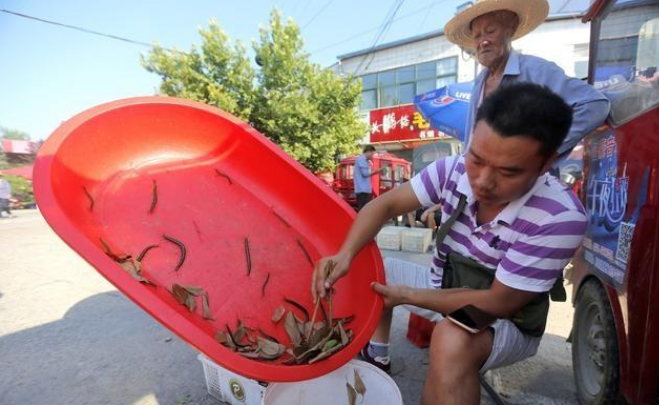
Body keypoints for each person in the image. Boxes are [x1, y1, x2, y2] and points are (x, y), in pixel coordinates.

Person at [312, 83, 587, 405]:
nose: (483, 181)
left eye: (508, 171)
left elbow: (498, 303)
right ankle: (378, 355)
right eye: (477, 159)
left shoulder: (559, 216)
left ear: (545, 164)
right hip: (441, 285)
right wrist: (344, 255)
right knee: (367, 270)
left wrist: (406, 295)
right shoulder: (452, 171)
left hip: (506, 320)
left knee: (453, 337)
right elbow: (382, 206)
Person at [444, 0, 610, 165]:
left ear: (509, 31)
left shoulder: (536, 71)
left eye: (491, 31)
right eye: (477, 36)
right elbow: (472, 140)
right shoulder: (479, 83)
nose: (483, 41)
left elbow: (595, 104)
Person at [353, 145, 383, 211]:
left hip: (363, 189)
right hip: (363, 190)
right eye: (372, 154)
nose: (372, 156)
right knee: (364, 210)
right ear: (368, 152)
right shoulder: (362, 159)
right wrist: (376, 171)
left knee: (364, 210)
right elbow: (365, 174)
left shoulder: (364, 160)